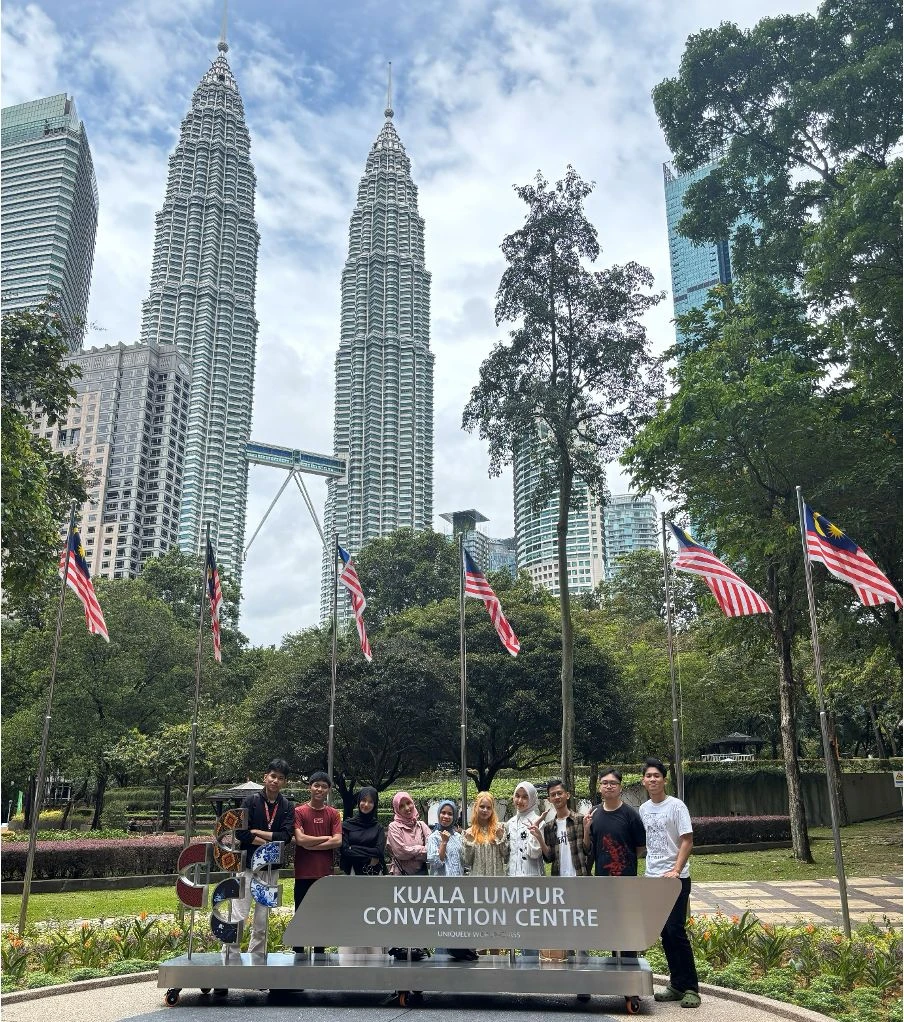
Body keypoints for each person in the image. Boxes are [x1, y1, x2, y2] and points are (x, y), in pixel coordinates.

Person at [639, 757, 700, 1009]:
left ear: (664, 779)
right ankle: (676, 985)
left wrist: (676, 869)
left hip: (675, 879)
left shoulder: (676, 806)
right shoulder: (643, 809)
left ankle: (691, 988)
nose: (652, 779)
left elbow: (687, 839)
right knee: (664, 933)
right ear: (643, 780)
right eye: (648, 776)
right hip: (653, 878)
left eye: (657, 775)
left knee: (676, 930)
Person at [582, 767, 646, 960]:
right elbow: (589, 847)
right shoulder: (595, 814)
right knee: (611, 927)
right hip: (604, 882)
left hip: (626, 882)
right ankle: (617, 972)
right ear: (600, 787)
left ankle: (629, 979)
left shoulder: (630, 814)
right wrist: (586, 829)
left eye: (613, 783)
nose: (608, 786)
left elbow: (640, 847)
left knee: (627, 928)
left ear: (620, 787)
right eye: (605, 783)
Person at [232, 759, 294, 956]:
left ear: (285, 782)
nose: (275, 781)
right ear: (265, 777)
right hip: (247, 867)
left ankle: (256, 960)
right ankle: (229, 957)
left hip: (271, 870)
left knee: (262, 920)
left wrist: (257, 833)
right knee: (238, 915)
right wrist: (269, 843)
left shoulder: (287, 806)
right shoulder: (250, 802)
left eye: (280, 778)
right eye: (273, 776)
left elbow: (285, 837)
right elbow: (240, 833)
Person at [293, 770, 342, 955]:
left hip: (325, 874)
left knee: (322, 917)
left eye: (324, 786)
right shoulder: (299, 812)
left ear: (328, 790)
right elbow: (300, 839)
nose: (319, 789)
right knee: (300, 915)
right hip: (303, 873)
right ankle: (298, 954)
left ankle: (319, 956)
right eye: (316, 785)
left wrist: (310, 844)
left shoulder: (333, 814)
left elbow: (337, 841)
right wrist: (324, 838)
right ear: (309, 787)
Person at [427, 799, 478, 962]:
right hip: (441, 891)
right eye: (443, 812)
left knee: (455, 927)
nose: (446, 816)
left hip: (458, 892)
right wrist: (443, 842)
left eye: (450, 813)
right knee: (441, 927)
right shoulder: (433, 837)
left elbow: (465, 861)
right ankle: (440, 963)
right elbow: (435, 862)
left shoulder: (458, 837)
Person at [532, 777, 591, 877]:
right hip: (559, 881)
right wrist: (539, 838)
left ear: (567, 795)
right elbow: (549, 857)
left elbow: (587, 850)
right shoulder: (549, 827)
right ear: (549, 799)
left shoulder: (580, 819)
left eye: (559, 793)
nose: (556, 797)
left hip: (580, 876)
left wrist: (586, 829)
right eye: (553, 795)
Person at [340, 786, 386, 876]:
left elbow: (379, 851)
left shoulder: (378, 827)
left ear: (375, 804)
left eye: (371, 802)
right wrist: (370, 856)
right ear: (359, 801)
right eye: (363, 800)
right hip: (351, 872)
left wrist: (353, 848)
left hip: (373, 873)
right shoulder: (347, 825)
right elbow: (345, 850)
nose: (366, 804)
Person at [461, 791, 508, 876]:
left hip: (497, 881)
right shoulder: (469, 832)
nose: (485, 810)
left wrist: (501, 837)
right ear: (476, 807)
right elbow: (467, 861)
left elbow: (506, 855)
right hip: (478, 882)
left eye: (488, 807)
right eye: (482, 806)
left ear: (492, 810)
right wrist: (469, 843)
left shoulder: (499, 829)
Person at [386, 791, 430, 875]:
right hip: (402, 877)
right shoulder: (394, 827)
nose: (407, 808)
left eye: (408, 803)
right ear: (396, 809)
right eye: (401, 806)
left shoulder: (421, 825)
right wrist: (421, 849)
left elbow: (432, 849)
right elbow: (401, 853)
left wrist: (410, 852)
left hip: (421, 876)